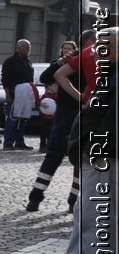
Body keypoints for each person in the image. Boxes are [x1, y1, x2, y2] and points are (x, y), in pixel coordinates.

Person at [41, 26, 114, 254]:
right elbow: (56, 74)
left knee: (100, 212)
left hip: (104, 151)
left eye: (105, 48)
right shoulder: (104, 69)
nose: (97, 54)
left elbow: (111, 121)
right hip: (96, 146)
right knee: (85, 210)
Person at [27, 38, 84, 211]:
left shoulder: (90, 61)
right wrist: (60, 62)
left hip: (77, 116)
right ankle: (36, 197)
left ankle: (72, 201)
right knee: (55, 157)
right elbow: (45, 77)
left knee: (78, 162)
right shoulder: (69, 62)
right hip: (67, 117)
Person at [0, 39, 35, 151]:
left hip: (26, 93)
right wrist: (8, 94)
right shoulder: (10, 61)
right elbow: (5, 79)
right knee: (13, 118)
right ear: (19, 48)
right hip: (15, 93)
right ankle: (8, 142)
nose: (28, 50)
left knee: (23, 119)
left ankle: (20, 141)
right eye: (26, 47)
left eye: (29, 48)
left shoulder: (28, 61)